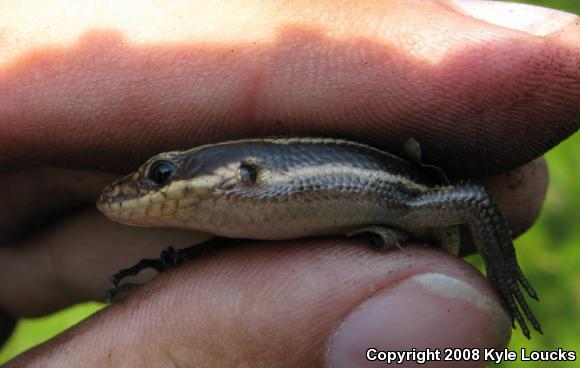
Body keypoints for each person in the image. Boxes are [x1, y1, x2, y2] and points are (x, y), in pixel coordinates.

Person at [0, 1, 578, 367]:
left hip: (404, 206)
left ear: (246, 173)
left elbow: (476, 200)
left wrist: (504, 272)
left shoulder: (404, 200)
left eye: (162, 177)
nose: (151, 190)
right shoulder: (245, 221)